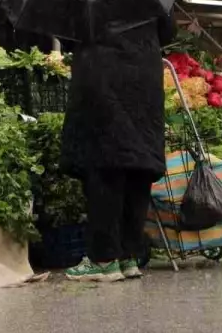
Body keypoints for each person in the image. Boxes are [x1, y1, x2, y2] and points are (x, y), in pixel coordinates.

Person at [62, 14, 174, 283]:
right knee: (138, 168)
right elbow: (168, 33)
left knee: (104, 168)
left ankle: (104, 260)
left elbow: (68, 37)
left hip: (102, 81)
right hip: (144, 84)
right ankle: (128, 257)